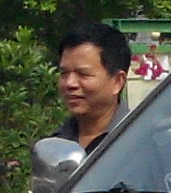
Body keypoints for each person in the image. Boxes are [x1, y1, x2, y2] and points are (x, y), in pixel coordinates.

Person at [52, 21, 135, 152]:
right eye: (64, 73)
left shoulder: (144, 143)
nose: (70, 83)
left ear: (117, 81)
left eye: (83, 74)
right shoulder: (56, 144)